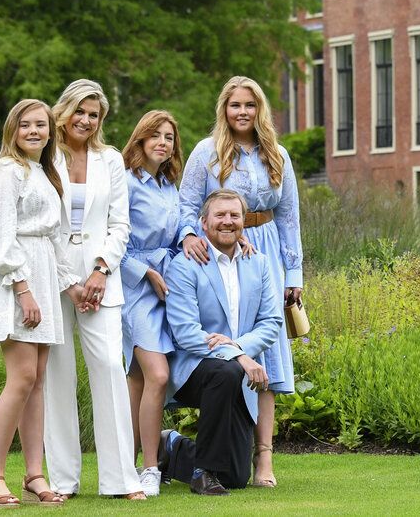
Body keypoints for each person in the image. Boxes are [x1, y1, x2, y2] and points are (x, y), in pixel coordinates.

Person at [179, 75, 303, 488]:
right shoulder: (205, 153)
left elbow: (288, 217)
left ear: (260, 109)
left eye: (250, 105)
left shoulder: (277, 154)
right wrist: (190, 235)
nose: (243, 112)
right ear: (224, 109)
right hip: (220, 245)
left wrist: (294, 273)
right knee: (229, 353)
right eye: (235, 105)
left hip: (263, 251)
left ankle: (264, 459)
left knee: (266, 360)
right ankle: (208, 453)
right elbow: (187, 204)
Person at [43, 79, 145, 500]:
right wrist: (70, 283)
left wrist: (101, 270)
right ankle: (63, 481)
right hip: (53, 277)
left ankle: (120, 480)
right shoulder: (44, 159)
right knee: (57, 375)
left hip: (104, 280)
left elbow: (121, 223)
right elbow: (44, 226)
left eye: (94, 114)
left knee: (108, 370)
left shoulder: (110, 160)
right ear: (63, 112)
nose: (85, 120)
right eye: (79, 111)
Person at [0, 99, 81, 507]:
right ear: (13, 131)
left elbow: (53, 242)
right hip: (15, 279)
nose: (34, 131)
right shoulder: (7, 172)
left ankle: (34, 475)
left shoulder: (44, 172)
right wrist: (23, 289)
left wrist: (69, 285)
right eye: (26, 125)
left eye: (41, 124)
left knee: (37, 383)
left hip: (41, 274)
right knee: (21, 379)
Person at [161, 189, 282, 495]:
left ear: (243, 222)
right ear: (203, 223)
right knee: (225, 371)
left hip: (237, 374)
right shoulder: (184, 265)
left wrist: (236, 349)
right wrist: (238, 356)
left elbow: (272, 323)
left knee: (236, 478)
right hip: (194, 369)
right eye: (220, 215)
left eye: (234, 215)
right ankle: (203, 473)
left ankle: (171, 446)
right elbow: (186, 332)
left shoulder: (260, 264)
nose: (227, 222)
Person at [119, 110, 184, 497]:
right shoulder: (126, 183)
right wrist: (147, 273)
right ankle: (150, 467)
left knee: (139, 380)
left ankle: (123, 466)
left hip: (169, 288)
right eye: (156, 135)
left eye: (170, 137)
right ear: (140, 140)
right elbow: (114, 243)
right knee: (156, 375)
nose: (163, 142)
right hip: (136, 289)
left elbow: (178, 236)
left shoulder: (169, 187)